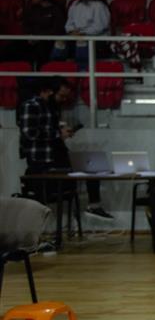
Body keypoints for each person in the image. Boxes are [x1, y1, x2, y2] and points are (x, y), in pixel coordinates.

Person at [18, 75, 111, 220]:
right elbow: (29, 132)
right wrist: (58, 134)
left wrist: (62, 131)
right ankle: (92, 206)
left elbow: (50, 131)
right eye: (61, 95)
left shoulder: (52, 108)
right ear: (48, 91)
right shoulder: (31, 106)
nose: (63, 99)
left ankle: (94, 206)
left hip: (57, 156)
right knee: (88, 166)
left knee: (93, 164)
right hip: (42, 161)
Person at [54, 0, 110, 69]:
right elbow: (69, 23)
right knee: (60, 42)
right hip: (75, 35)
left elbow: (100, 26)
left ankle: (82, 69)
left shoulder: (99, 5)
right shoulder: (75, 4)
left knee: (81, 41)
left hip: (96, 38)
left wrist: (83, 33)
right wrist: (72, 31)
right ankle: (57, 68)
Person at [22, 0, 66, 65]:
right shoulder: (33, 9)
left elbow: (57, 29)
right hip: (31, 39)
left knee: (39, 49)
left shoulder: (56, 10)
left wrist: (39, 37)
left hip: (48, 41)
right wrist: (29, 35)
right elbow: (26, 25)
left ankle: (38, 70)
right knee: (11, 48)